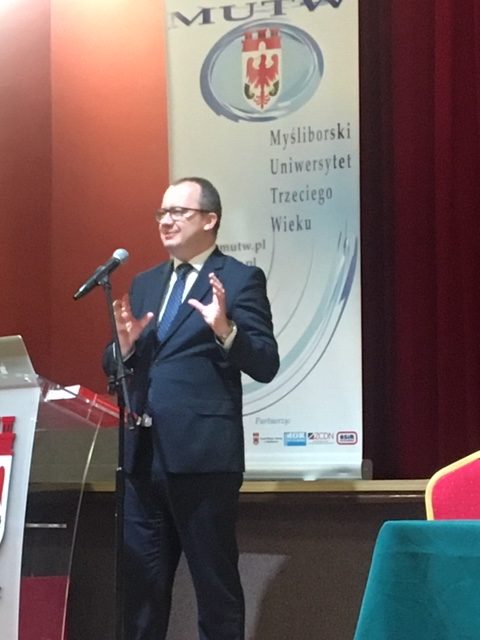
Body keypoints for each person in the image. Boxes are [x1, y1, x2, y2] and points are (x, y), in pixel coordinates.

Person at [103, 177, 279, 640]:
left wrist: (226, 330)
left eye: (178, 212)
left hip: (203, 459)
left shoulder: (238, 279)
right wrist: (123, 348)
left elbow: (265, 362)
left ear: (209, 219)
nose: (166, 221)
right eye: (162, 212)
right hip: (143, 459)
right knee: (141, 593)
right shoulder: (145, 283)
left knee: (214, 589)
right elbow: (115, 360)